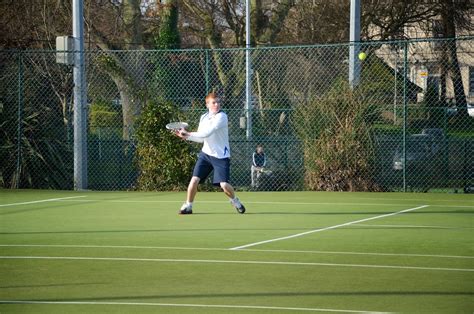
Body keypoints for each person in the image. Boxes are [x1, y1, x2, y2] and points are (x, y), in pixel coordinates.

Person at [174, 92, 246, 215]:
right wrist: (187, 137)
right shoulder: (203, 117)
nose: (216, 104)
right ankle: (188, 206)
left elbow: (207, 133)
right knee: (194, 180)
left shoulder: (222, 117)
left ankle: (235, 201)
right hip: (206, 155)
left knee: (224, 185)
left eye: (218, 102)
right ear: (207, 104)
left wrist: (188, 134)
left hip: (221, 156)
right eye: (213, 102)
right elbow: (201, 139)